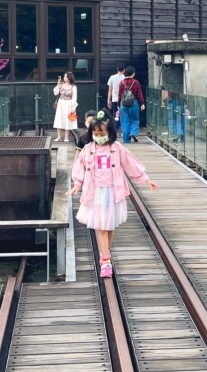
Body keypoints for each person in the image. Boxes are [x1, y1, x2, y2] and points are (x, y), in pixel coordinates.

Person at [67, 114, 158, 277]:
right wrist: (76, 184)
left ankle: (104, 253)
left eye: (102, 134)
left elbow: (131, 163)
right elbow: (79, 167)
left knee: (110, 226)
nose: (99, 137)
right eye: (96, 134)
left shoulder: (117, 148)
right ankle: (106, 261)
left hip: (114, 191)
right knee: (102, 227)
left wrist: (146, 179)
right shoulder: (88, 149)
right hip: (95, 192)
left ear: (109, 133)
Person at [118, 66, 145, 143]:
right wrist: (142, 103)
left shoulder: (121, 82)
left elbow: (119, 95)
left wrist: (118, 105)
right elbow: (139, 94)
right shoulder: (136, 82)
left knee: (125, 121)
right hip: (134, 103)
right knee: (135, 119)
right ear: (133, 73)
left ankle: (126, 140)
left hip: (123, 104)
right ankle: (133, 133)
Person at [53, 71, 78, 143]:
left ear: (70, 77)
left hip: (69, 104)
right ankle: (59, 137)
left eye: (66, 76)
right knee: (59, 119)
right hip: (61, 104)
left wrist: (73, 108)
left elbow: (74, 98)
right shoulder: (61, 85)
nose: (65, 78)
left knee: (68, 121)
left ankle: (66, 137)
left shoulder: (73, 87)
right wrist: (58, 84)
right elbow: (55, 93)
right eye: (64, 76)